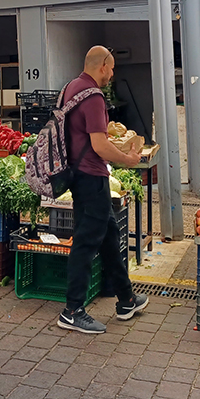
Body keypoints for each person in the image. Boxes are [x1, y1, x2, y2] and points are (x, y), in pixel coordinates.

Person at [58, 45, 148, 334]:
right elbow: (99, 145)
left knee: (109, 236)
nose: (112, 74)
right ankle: (72, 310)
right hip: (91, 177)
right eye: (111, 68)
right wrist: (129, 159)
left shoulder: (70, 88)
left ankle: (126, 299)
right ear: (102, 66)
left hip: (76, 174)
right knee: (85, 243)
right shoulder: (94, 96)